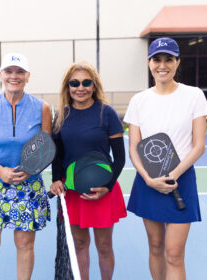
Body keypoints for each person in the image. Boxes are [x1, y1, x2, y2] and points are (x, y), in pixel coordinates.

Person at [123, 37, 207, 280]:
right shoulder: (139, 100)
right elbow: (134, 148)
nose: (162, 65)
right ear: (149, 63)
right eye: (157, 59)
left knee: (173, 254)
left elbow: (199, 146)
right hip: (148, 182)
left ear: (177, 62)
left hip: (181, 180)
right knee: (155, 247)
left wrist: (172, 175)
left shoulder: (194, 96)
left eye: (168, 59)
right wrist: (149, 179)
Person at [0, 53, 52, 280]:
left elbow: (46, 148)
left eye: (19, 72)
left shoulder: (42, 108)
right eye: (8, 71)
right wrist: (1, 172)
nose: (13, 76)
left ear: (27, 76)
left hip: (28, 185)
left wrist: (33, 168)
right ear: (0, 75)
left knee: (25, 243)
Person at [49, 61, 127, 280]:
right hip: (72, 191)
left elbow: (119, 158)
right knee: (79, 244)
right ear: (68, 87)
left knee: (104, 246)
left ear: (94, 86)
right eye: (74, 83)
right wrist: (56, 179)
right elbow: (58, 154)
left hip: (102, 189)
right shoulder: (62, 116)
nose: (80, 88)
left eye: (86, 82)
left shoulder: (107, 113)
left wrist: (107, 187)